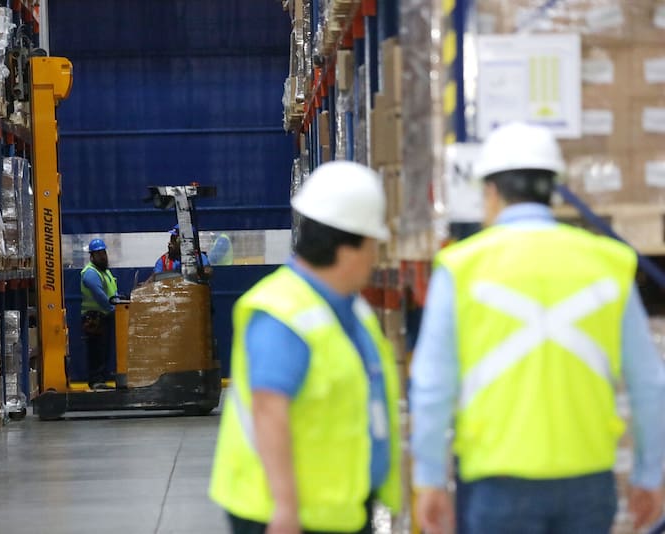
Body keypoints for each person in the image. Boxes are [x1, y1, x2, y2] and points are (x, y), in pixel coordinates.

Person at [410, 122, 665, 534]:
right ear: (553, 190)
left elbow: (432, 386)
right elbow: (649, 384)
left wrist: (429, 479)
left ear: (491, 192)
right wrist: (649, 475)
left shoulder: (462, 268)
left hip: (498, 480)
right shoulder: (609, 263)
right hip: (588, 479)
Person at [210, 161, 402, 534]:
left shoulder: (351, 308)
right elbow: (269, 408)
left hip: (339, 508)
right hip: (289, 515)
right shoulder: (283, 311)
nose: (375, 257)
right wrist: (285, 508)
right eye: (372, 245)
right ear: (347, 248)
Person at [81, 238, 119, 390]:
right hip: (94, 318)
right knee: (96, 350)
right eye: (99, 254)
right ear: (92, 256)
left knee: (104, 350)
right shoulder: (90, 273)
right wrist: (112, 308)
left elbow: (112, 291)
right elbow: (100, 295)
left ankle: (102, 378)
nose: (103, 256)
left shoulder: (104, 271)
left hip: (104, 316)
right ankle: (96, 380)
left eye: (104, 253)